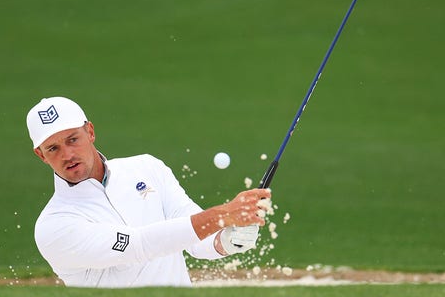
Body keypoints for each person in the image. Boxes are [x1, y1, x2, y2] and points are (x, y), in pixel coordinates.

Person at [26, 96, 271, 288]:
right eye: (53, 148)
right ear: (40, 155)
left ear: (90, 131)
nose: (67, 155)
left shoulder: (146, 167)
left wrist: (227, 240)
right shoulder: (54, 226)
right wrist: (224, 215)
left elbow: (196, 240)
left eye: (72, 140)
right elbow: (138, 246)